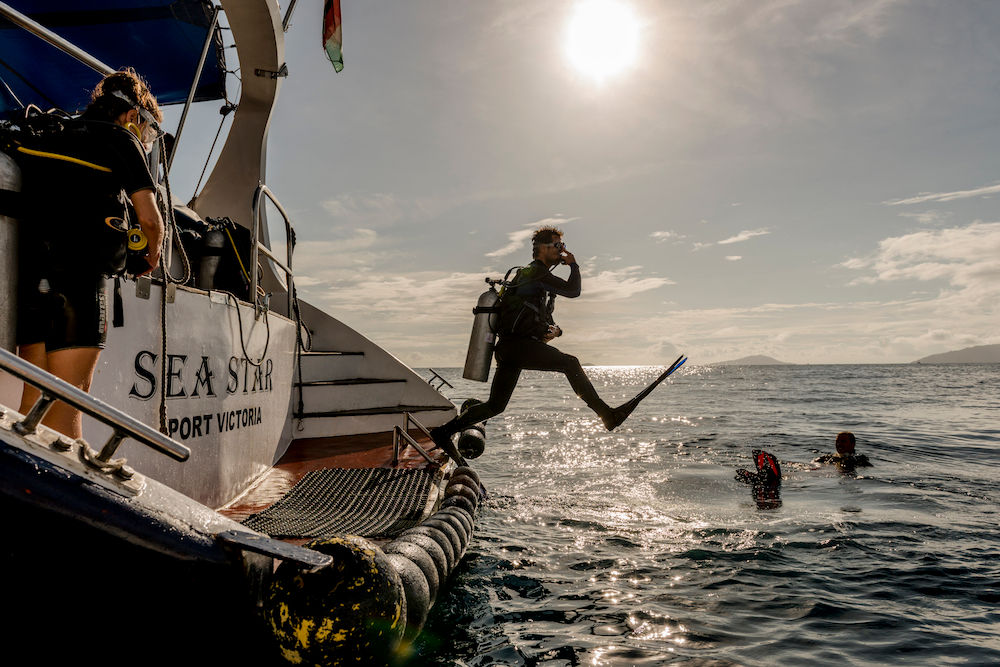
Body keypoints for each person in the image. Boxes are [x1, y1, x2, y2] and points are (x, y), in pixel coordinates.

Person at [15, 68, 164, 439]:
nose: (144, 138)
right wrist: (151, 256)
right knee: (66, 416)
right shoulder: (119, 137)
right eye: (146, 129)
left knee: (28, 411)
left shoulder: (55, 133)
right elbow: (150, 220)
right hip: (78, 285)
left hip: (31, 282)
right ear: (133, 116)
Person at [431, 226, 630, 463]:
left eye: (562, 246)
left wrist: (555, 330)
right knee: (570, 363)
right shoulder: (535, 273)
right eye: (557, 246)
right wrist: (574, 265)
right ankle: (607, 415)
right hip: (517, 347)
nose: (562, 251)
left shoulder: (530, 276)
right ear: (543, 249)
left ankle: (443, 432)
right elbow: (574, 290)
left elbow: (538, 317)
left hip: (509, 349)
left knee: (496, 406)